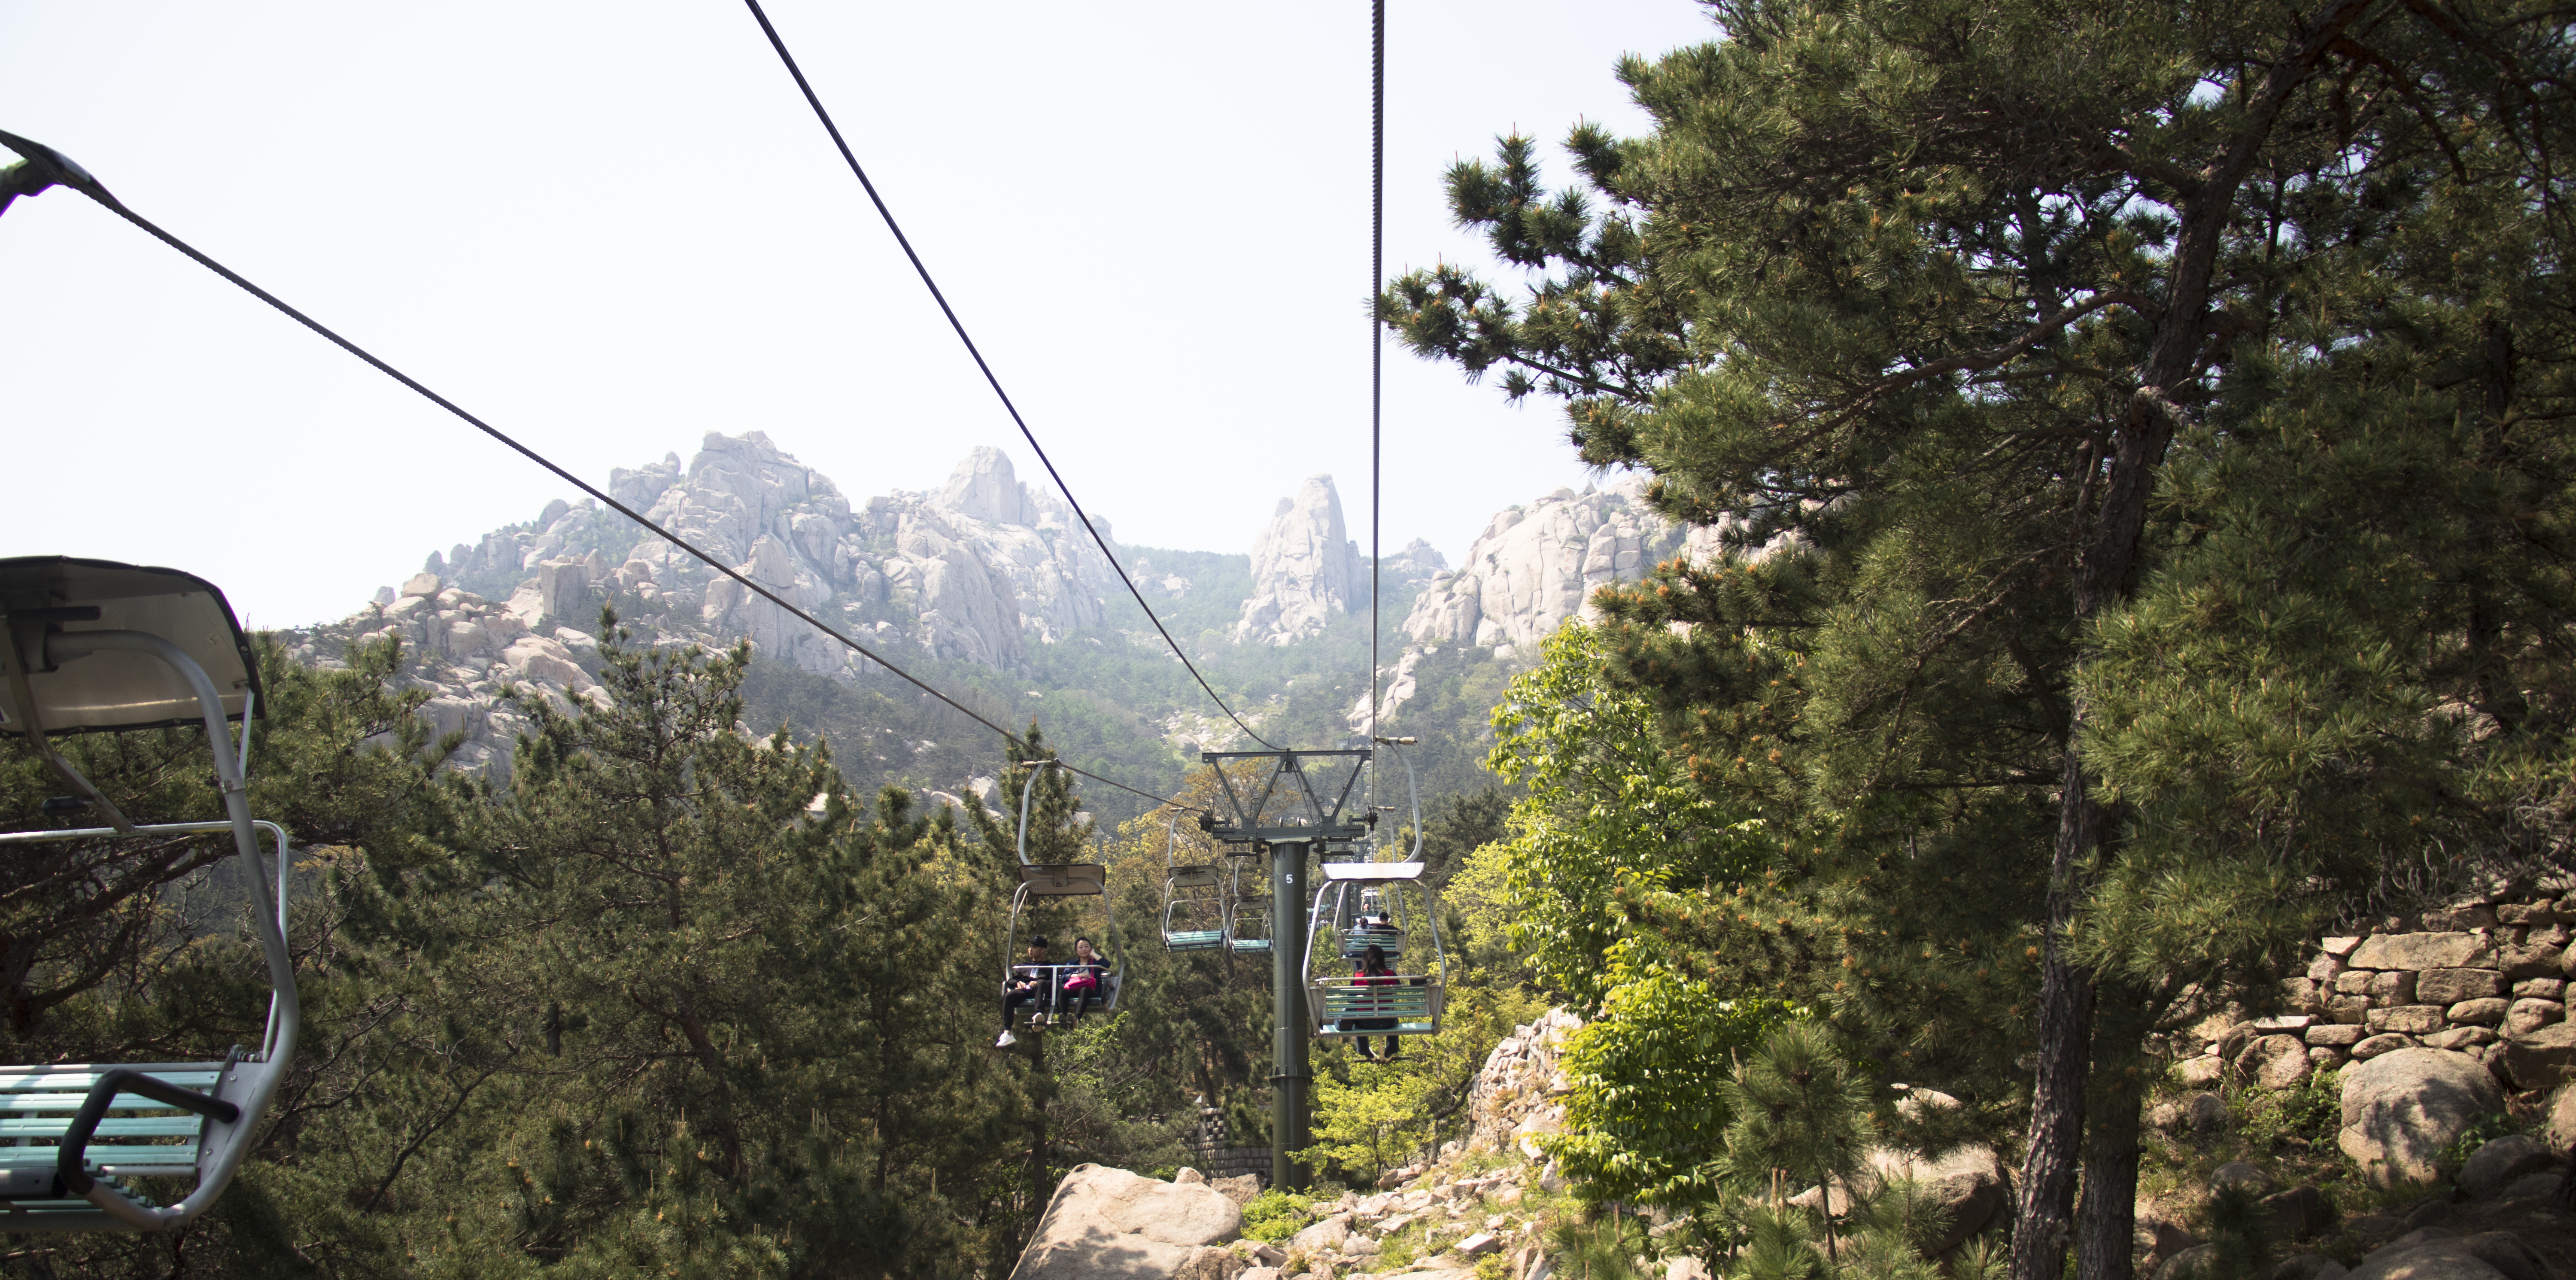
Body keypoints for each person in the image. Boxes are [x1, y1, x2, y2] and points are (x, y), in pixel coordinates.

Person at [1347, 942, 1400, 1061]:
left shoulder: (1357, 976)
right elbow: (1399, 988)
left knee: (1357, 1015)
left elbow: (1350, 996)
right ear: (1382, 958)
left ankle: (1364, 1050)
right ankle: (1391, 1049)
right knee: (1394, 1015)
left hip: (1364, 1023)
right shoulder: (1390, 975)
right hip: (1387, 1022)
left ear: (1365, 960)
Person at [996, 936, 1051, 1048]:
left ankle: (1038, 1015)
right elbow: (1011, 980)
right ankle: (1007, 1032)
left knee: (1041, 983)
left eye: (1034, 947)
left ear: (1043, 950)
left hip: (1041, 991)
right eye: (1030, 946)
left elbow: (1053, 983)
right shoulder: (1023, 966)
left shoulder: (1050, 966)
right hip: (1025, 991)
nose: (1030, 949)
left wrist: (1039, 982)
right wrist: (1018, 983)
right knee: (1010, 995)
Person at [1057, 936, 1108, 1027]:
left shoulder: (1095, 964)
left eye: (1087, 947)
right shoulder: (1072, 963)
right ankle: (1063, 1019)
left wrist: (1094, 954)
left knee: (1084, 990)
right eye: (1081, 948)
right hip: (1074, 990)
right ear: (1076, 951)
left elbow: (1107, 965)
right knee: (1062, 992)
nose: (1084, 949)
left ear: (1091, 948)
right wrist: (1078, 975)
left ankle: (1076, 1019)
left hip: (1090, 992)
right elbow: (1064, 977)